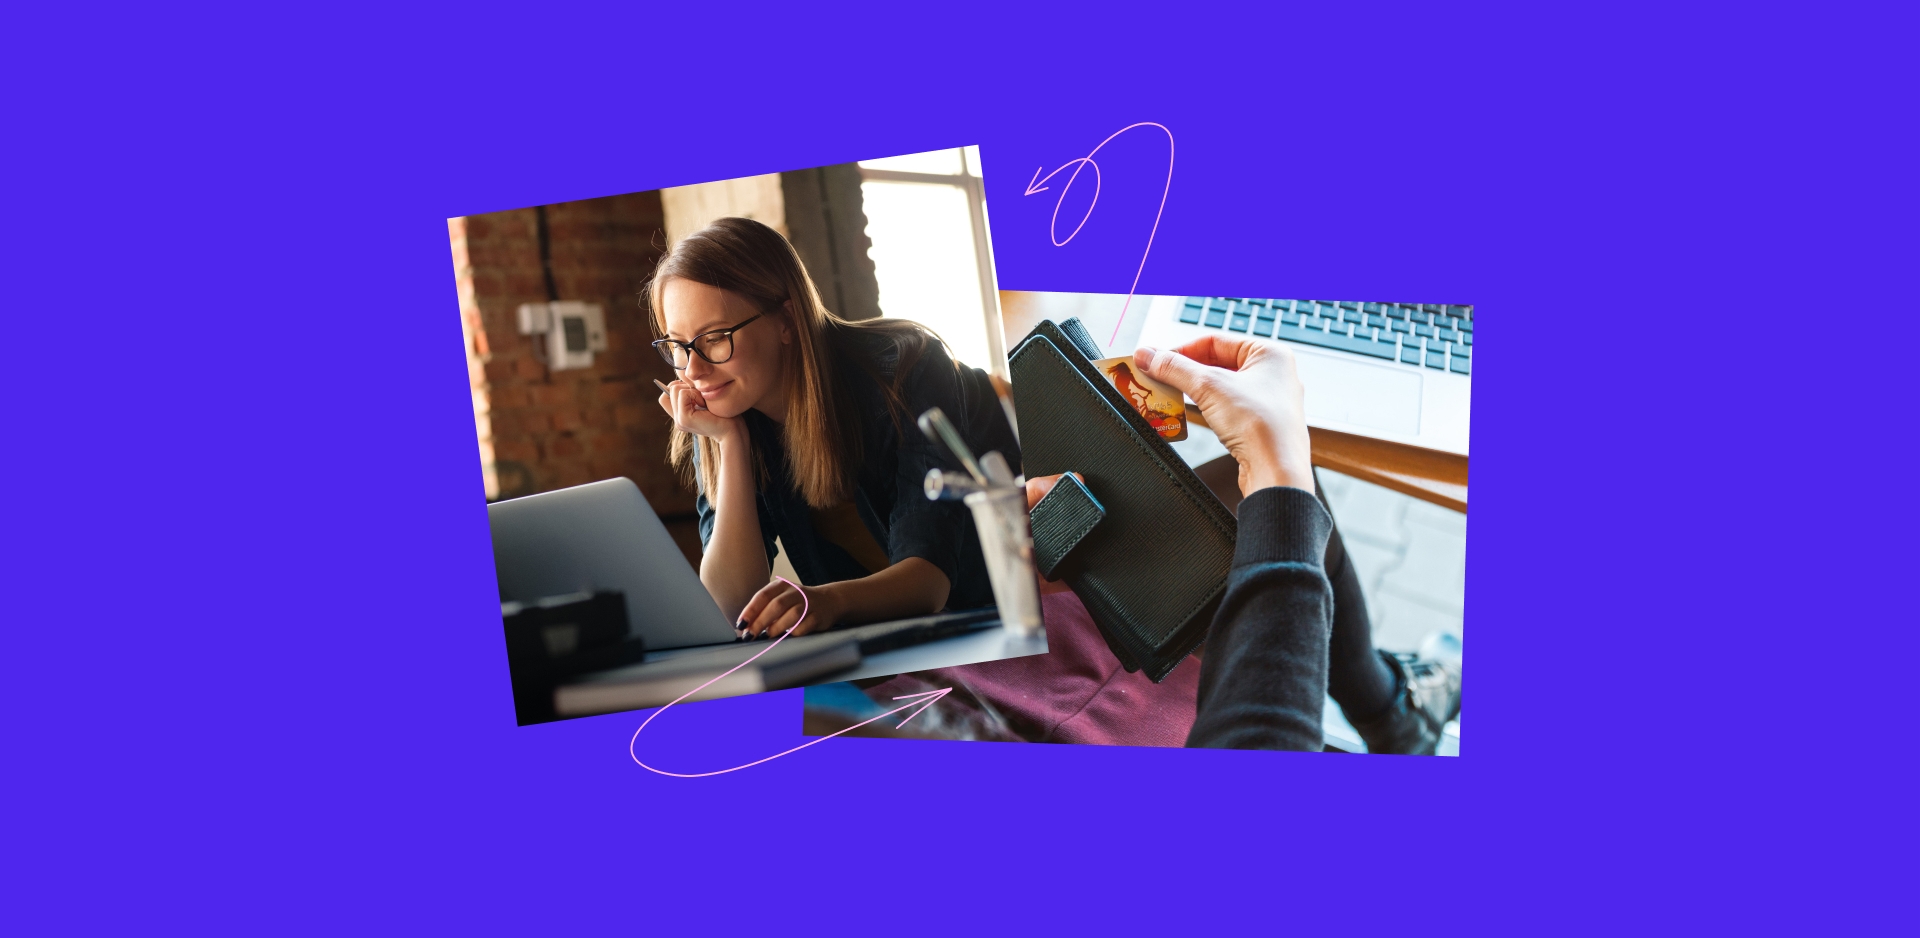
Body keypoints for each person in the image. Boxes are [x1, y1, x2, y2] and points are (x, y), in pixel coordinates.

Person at [833, 333, 1460, 753]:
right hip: (1125, 723)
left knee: (1244, 502)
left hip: (986, 666)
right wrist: (1280, 469)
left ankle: (1391, 713)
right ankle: (1395, 718)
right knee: (1279, 505)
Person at [648, 217, 1017, 642]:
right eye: (678, 345)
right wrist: (730, 442)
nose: (693, 370)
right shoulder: (721, 410)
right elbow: (729, 604)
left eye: (714, 338)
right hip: (884, 647)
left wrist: (826, 602)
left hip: (999, 626)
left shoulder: (907, 369)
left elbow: (930, 584)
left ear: (786, 320)